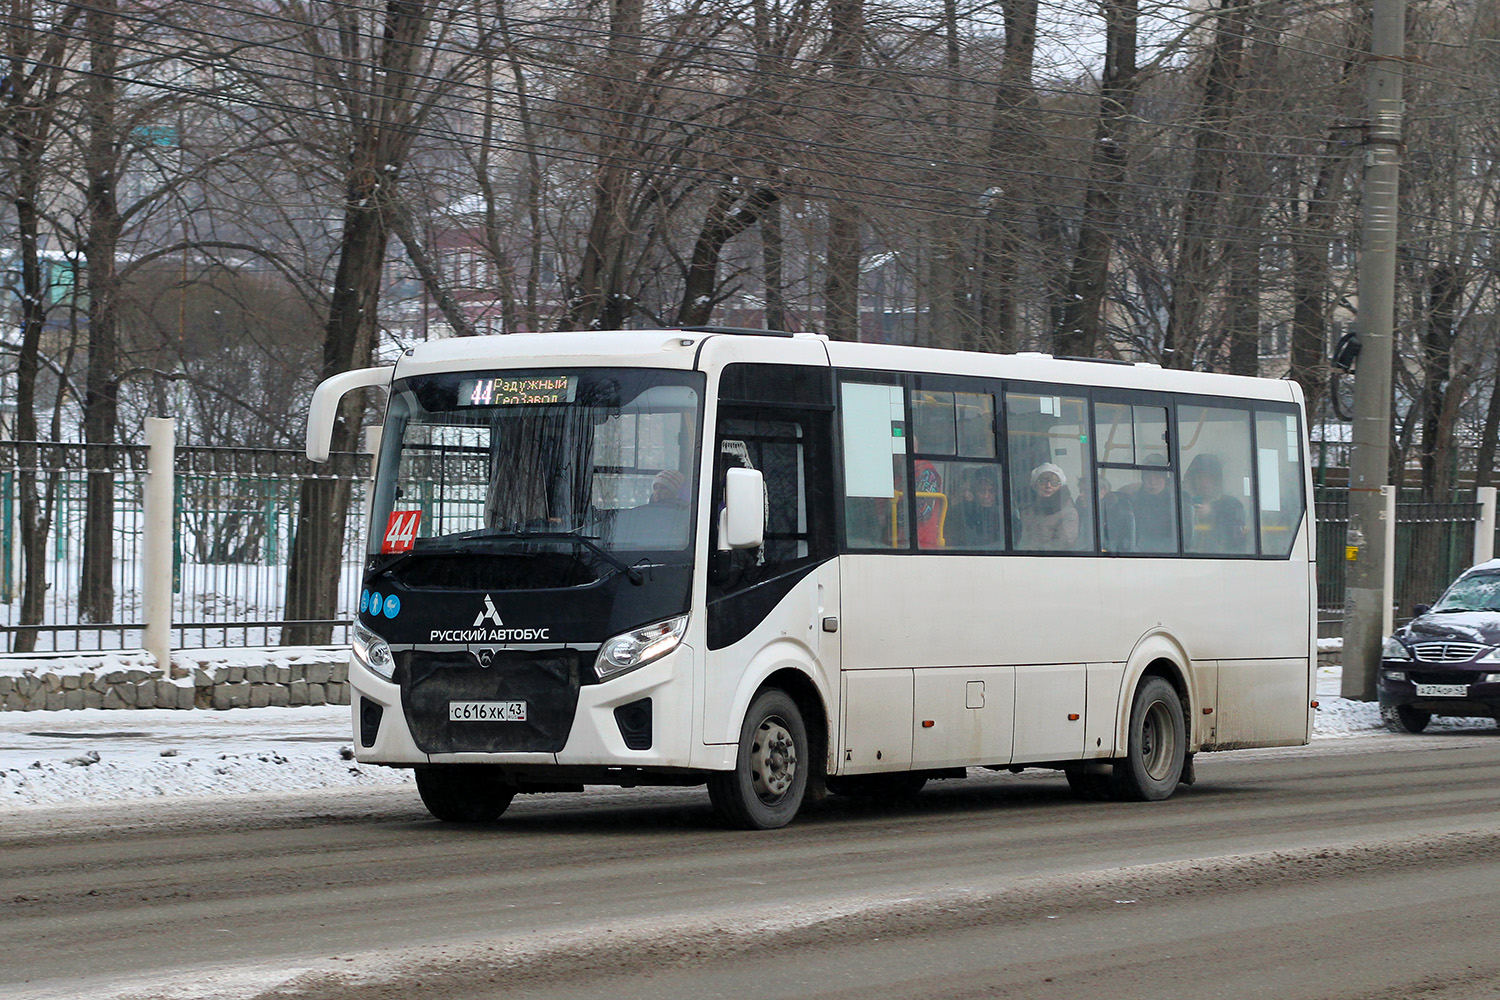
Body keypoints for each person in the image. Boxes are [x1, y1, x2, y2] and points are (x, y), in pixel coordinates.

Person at [1184, 453, 1246, 553]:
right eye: (1200, 477)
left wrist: (1211, 513)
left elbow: (1236, 538)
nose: (1204, 482)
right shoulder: (1183, 502)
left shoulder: (1232, 505)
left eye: (1209, 477)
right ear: (1192, 479)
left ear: (1217, 480)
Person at [1018, 463, 1079, 550]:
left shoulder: (1069, 513)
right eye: (1043, 481)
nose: (1048, 486)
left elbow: (1062, 544)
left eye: (1054, 483)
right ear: (1035, 485)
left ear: (1060, 487)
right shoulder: (1027, 511)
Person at [1129, 454, 1176, 553]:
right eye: (1148, 477)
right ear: (1142, 479)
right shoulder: (1133, 502)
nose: (1152, 482)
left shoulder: (1178, 501)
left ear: (1165, 478)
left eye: (1157, 477)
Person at [950, 466, 1003, 548]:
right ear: (974, 491)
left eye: (991, 491)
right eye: (982, 491)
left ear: (997, 493)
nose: (986, 496)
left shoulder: (1005, 516)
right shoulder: (960, 514)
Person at [1096, 475, 1136, 553]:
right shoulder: (1083, 511)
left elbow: (1126, 546)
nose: (1081, 495)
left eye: (1085, 491)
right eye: (1080, 491)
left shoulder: (1122, 515)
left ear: (1102, 493)